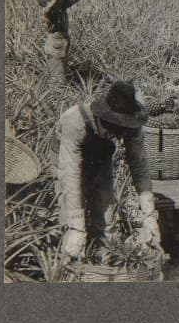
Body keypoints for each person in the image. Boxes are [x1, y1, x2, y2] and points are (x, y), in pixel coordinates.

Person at [56, 81, 161, 260]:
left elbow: (140, 165)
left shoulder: (132, 126)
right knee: (70, 220)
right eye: (113, 129)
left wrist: (149, 214)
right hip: (66, 161)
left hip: (99, 160)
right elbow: (70, 174)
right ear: (103, 118)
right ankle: (71, 265)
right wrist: (76, 227)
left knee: (106, 214)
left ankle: (105, 260)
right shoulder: (74, 120)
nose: (118, 137)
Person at [36, 0, 84, 83]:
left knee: (61, 79)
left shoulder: (60, 6)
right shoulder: (49, 8)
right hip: (56, 47)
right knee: (58, 83)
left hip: (61, 45)